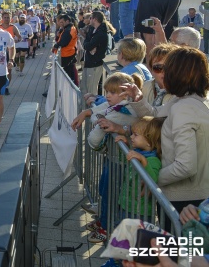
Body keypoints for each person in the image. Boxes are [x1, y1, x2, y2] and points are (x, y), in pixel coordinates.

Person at [120, 47, 209, 231]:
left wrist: (151, 178)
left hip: (184, 201)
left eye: (167, 68)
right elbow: (156, 116)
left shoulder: (184, 107)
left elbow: (186, 165)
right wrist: (138, 99)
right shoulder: (185, 101)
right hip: (188, 198)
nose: (163, 73)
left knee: (180, 257)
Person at [72, 72, 142, 243]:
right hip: (113, 159)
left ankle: (107, 227)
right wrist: (89, 112)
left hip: (120, 162)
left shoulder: (122, 112)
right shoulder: (118, 106)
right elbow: (99, 110)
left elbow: (93, 139)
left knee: (111, 196)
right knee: (105, 191)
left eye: (112, 92)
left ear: (125, 95)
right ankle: (104, 221)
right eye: (107, 92)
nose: (107, 96)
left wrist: (100, 144)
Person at [114, 116, 164, 220]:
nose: (131, 137)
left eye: (135, 135)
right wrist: (125, 148)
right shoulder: (139, 152)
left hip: (139, 211)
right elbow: (124, 161)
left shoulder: (152, 160)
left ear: (149, 141)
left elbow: (152, 180)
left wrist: (144, 161)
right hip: (126, 204)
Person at [81, 11, 111, 96]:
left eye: (90, 18)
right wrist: (88, 44)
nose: (88, 20)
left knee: (91, 91)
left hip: (94, 65)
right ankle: (85, 109)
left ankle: (92, 109)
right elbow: (86, 44)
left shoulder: (101, 33)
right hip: (88, 63)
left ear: (94, 19)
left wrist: (89, 45)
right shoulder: (92, 30)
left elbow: (87, 46)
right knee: (84, 89)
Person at [53, 14, 79, 86]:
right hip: (69, 52)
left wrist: (56, 45)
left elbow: (64, 42)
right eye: (60, 22)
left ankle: (70, 86)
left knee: (68, 72)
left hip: (68, 54)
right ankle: (72, 84)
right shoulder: (69, 28)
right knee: (71, 70)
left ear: (67, 21)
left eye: (62, 22)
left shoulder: (68, 30)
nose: (60, 24)